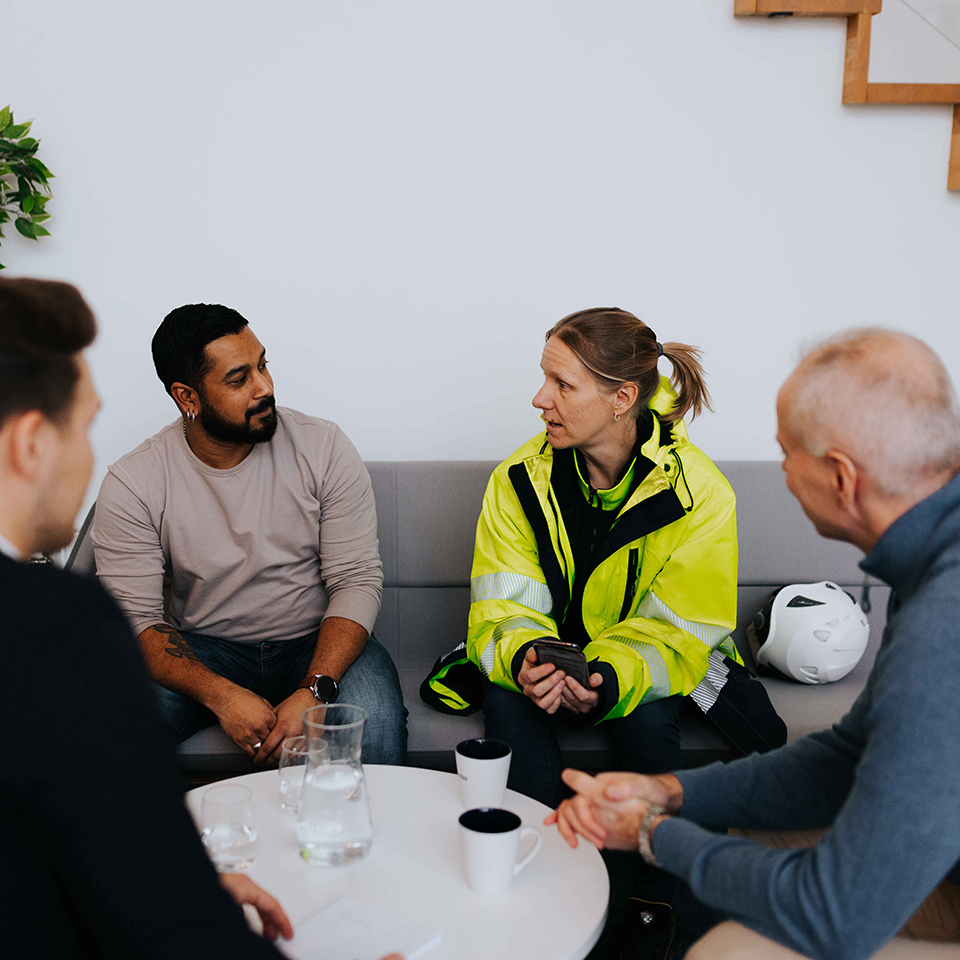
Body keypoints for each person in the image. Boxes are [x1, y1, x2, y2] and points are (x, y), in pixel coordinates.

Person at [550, 328, 960, 960]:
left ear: (842, 478)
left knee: (724, 953)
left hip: (914, 893)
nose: (783, 471)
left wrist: (654, 834)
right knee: (745, 831)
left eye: (786, 452)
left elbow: (836, 913)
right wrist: (672, 793)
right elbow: (852, 753)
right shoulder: (935, 561)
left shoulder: (942, 627)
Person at [0, 276, 298, 957]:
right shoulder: (54, 626)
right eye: (84, 425)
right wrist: (187, 892)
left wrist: (187, 882)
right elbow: (166, 924)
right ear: (29, 445)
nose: (89, 458)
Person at [467, 307, 778, 811]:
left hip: (652, 667)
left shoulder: (701, 495)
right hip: (552, 656)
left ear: (623, 398)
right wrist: (527, 660)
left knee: (647, 716)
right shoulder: (518, 481)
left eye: (562, 384)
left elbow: (678, 634)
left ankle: (651, 886)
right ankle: (537, 872)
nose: (539, 398)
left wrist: (604, 682)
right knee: (507, 699)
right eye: (544, 378)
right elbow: (502, 609)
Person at [92, 303, 406, 765]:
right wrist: (221, 696)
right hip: (202, 651)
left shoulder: (324, 446)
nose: (265, 387)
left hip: (316, 642)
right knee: (106, 733)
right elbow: (137, 621)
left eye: (263, 365)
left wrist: (313, 689)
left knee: (374, 729)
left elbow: (356, 579)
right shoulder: (135, 481)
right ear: (188, 397)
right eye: (239, 380)